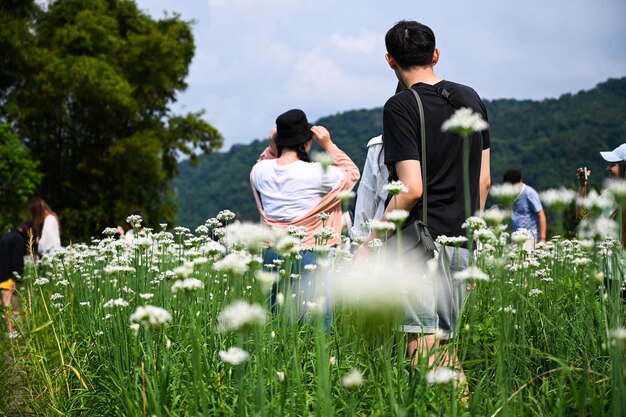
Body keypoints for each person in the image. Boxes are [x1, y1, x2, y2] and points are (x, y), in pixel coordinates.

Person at [367, 21, 491, 377]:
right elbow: (482, 181)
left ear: (390, 61)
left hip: (419, 246)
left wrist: (370, 242)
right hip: (461, 238)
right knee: (443, 345)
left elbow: (411, 189)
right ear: (435, 55)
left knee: (421, 346)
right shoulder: (471, 99)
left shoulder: (400, 107)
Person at [250, 109, 360, 328]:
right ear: (307, 143)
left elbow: (264, 159)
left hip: (272, 250)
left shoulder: (259, 170)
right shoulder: (316, 172)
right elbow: (351, 173)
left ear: (279, 140)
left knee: (279, 319)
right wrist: (329, 144)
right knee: (316, 323)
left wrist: (273, 146)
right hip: (310, 250)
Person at [577, 143, 626, 245]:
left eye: (613, 165)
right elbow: (583, 216)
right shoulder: (609, 193)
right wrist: (583, 186)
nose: (608, 168)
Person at [0, 221, 33, 332]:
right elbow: (17, 263)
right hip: (9, 279)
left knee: (5, 306)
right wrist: (16, 279)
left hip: (2, 277)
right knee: (10, 306)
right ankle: (12, 334)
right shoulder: (18, 239)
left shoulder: (6, 235)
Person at [503, 169, 547, 245]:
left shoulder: (530, 193)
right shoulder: (508, 195)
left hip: (530, 237)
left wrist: (542, 239)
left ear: (521, 181)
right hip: (515, 237)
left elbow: (541, 215)